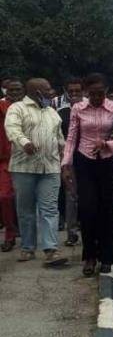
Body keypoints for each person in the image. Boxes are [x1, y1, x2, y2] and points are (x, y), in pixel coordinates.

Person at [62, 74, 113, 276]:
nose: (97, 97)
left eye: (100, 93)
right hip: (85, 161)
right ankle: (90, 256)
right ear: (85, 92)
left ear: (106, 91)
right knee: (87, 209)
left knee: (107, 210)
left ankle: (107, 257)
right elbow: (72, 137)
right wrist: (66, 164)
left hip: (107, 162)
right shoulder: (78, 109)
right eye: (92, 94)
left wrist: (109, 144)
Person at [4, 78, 67, 267]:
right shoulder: (17, 108)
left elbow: (59, 137)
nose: (50, 92)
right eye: (47, 90)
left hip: (50, 168)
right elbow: (12, 129)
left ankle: (51, 249)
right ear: (36, 91)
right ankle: (28, 248)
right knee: (26, 210)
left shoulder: (52, 112)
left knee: (49, 208)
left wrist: (64, 153)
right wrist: (25, 143)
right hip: (24, 168)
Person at [56, 78, 84, 247]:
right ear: (66, 92)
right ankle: (72, 233)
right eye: (71, 91)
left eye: (77, 91)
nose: (74, 94)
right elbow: (58, 139)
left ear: (83, 92)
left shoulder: (90, 110)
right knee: (71, 196)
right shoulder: (61, 114)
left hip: (89, 159)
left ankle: (87, 227)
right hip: (69, 160)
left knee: (87, 195)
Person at [0, 78, 24, 252]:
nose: (14, 93)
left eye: (18, 90)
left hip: (26, 157)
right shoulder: (1, 107)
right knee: (5, 196)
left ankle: (26, 233)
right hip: (5, 159)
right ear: (5, 91)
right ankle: (10, 233)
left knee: (27, 200)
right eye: (11, 90)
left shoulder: (30, 108)